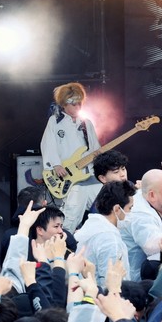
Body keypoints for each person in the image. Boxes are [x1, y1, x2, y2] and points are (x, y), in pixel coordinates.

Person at [39, 82, 102, 232]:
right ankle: (63, 242)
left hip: (89, 175)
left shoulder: (86, 123)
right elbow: (47, 144)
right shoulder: (55, 122)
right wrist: (56, 165)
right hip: (71, 178)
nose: (77, 107)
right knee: (71, 218)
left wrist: (100, 156)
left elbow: (95, 148)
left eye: (79, 103)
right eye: (73, 104)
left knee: (107, 206)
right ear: (64, 104)